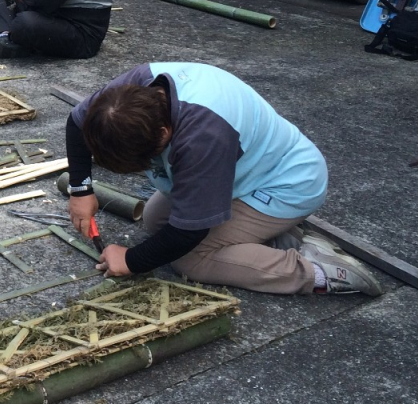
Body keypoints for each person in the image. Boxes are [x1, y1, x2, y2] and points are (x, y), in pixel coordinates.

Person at [64, 61, 382, 297]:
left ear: (163, 133)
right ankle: (277, 238)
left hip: (287, 185)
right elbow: (76, 123)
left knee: (191, 259)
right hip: (242, 174)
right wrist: (80, 189)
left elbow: (188, 234)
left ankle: (320, 274)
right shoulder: (125, 97)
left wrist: (131, 260)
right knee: (155, 218)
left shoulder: (202, 136)